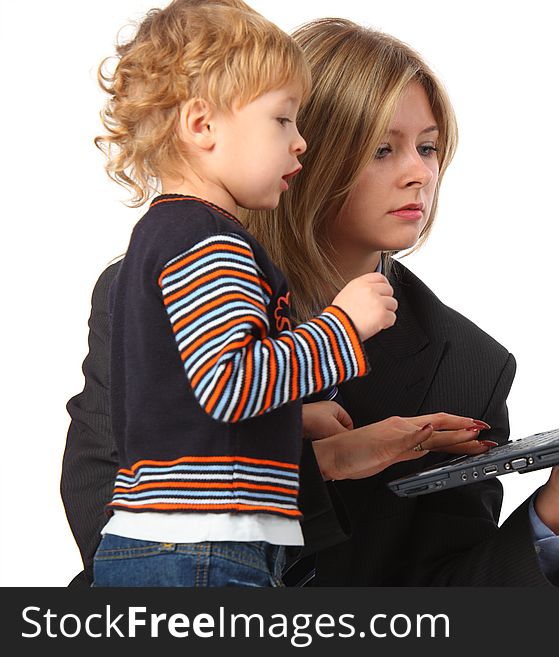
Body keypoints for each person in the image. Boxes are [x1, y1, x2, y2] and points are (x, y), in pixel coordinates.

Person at [63, 17, 559, 587]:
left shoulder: (467, 365)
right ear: (299, 149)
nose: (419, 173)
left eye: (428, 146)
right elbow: (115, 530)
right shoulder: (156, 285)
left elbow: (443, 606)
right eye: (383, 149)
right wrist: (326, 462)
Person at [86, 0, 406, 587]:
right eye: (283, 120)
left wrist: (292, 416)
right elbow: (230, 383)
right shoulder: (212, 240)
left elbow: (177, 400)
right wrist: (343, 326)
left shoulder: (163, 235)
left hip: (165, 541)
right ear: (202, 125)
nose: (301, 143)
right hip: (206, 548)